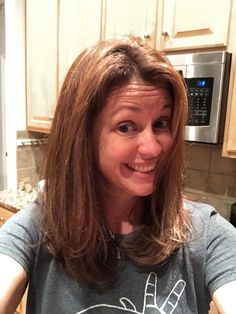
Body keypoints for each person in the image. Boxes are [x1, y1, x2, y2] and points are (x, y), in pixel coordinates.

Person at [0, 36, 236, 314]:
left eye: (161, 123)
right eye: (126, 127)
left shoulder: (206, 234)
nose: (152, 148)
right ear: (82, 137)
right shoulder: (37, 229)